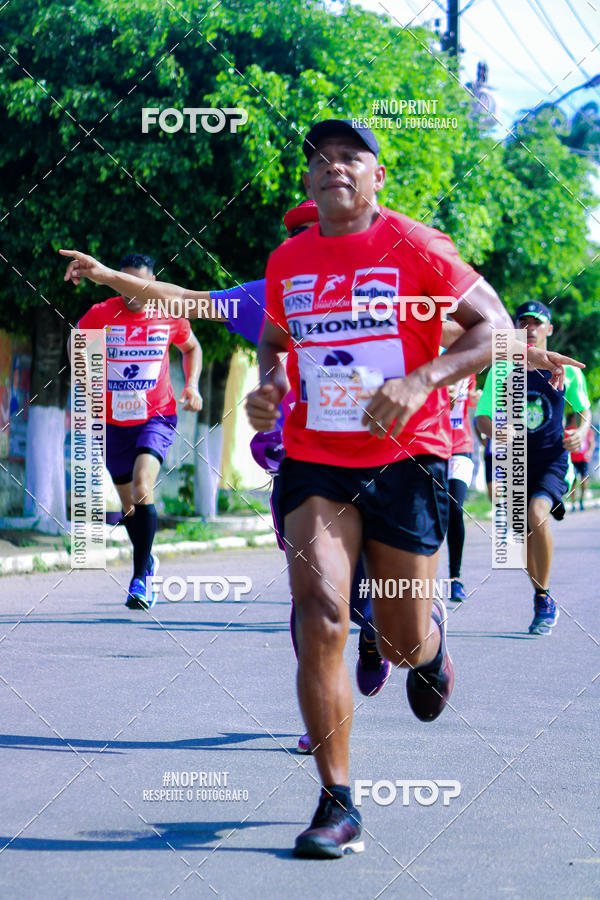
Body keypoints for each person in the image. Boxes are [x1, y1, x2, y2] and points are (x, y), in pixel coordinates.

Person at [246, 118, 518, 859]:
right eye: (321, 160)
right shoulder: (288, 260)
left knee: (397, 638)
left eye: (351, 158)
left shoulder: (418, 246)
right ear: (306, 182)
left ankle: (427, 654)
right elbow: (275, 342)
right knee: (323, 610)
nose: (335, 167)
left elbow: (493, 328)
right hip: (315, 459)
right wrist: (270, 386)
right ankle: (338, 801)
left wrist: (421, 378)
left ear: (376, 177)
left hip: (407, 458)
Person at [60, 208, 391, 753]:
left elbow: (452, 326)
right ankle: (325, 724)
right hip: (301, 467)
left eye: (322, 233)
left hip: (376, 464)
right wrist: (104, 278)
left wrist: (497, 353)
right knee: (312, 596)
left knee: (378, 599)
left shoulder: (377, 290)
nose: (312, 245)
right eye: (299, 237)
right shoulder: (266, 295)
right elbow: (186, 298)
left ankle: (386, 634)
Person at [66, 252, 202, 609]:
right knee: (129, 506)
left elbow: (191, 347)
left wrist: (193, 385)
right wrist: (84, 374)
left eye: (139, 285)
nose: (132, 294)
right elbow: (77, 342)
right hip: (112, 424)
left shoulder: (169, 311)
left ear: (153, 281)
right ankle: (148, 559)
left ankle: (140, 578)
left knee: (143, 485)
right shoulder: (101, 313)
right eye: (124, 284)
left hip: (156, 417)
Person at [476, 300, 591, 635]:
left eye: (537, 323)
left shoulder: (566, 370)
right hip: (515, 460)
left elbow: (582, 411)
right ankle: (542, 596)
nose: (530, 328)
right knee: (523, 531)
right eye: (523, 322)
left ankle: (543, 596)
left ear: (549, 329)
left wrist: (580, 432)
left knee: (535, 514)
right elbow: (482, 415)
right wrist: (495, 429)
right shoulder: (502, 368)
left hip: (553, 458)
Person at [446, 372, 478, 601]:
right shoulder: (426, 354)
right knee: (426, 515)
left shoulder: (469, 359)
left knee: (455, 508)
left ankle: (455, 579)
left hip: (460, 445)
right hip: (427, 445)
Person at [566, 411, 595, 511]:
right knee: (574, 481)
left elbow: (591, 443)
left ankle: (581, 501)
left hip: (583, 459)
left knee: (584, 480)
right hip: (573, 459)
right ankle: (573, 503)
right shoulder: (568, 430)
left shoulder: (587, 430)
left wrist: (589, 452)